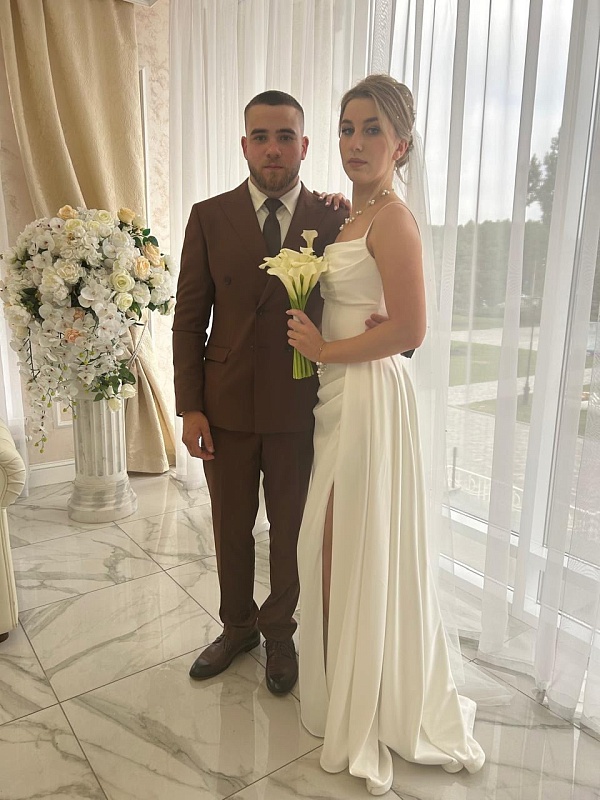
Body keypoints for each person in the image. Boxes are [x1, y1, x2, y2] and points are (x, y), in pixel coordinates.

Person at [287, 75, 486, 795]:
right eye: (348, 128)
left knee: (344, 541)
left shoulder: (394, 220)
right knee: (333, 544)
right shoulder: (353, 216)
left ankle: (364, 695)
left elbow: (411, 329)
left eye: (373, 129)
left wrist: (323, 349)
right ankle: (343, 680)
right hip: (341, 394)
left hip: (369, 396)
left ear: (401, 145)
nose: (356, 141)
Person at [172, 90, 347, 695]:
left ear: (305, 145)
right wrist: (190, 406)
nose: (273, 148)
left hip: (300, 403)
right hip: (225, 404)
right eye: (262, 137)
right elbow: (189, 320)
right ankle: (238, 626)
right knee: (230, 526)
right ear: (244, 145)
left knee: (291, 527)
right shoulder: (208, 215)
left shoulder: (334, 218)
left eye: (285, 136)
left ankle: (279, 632)